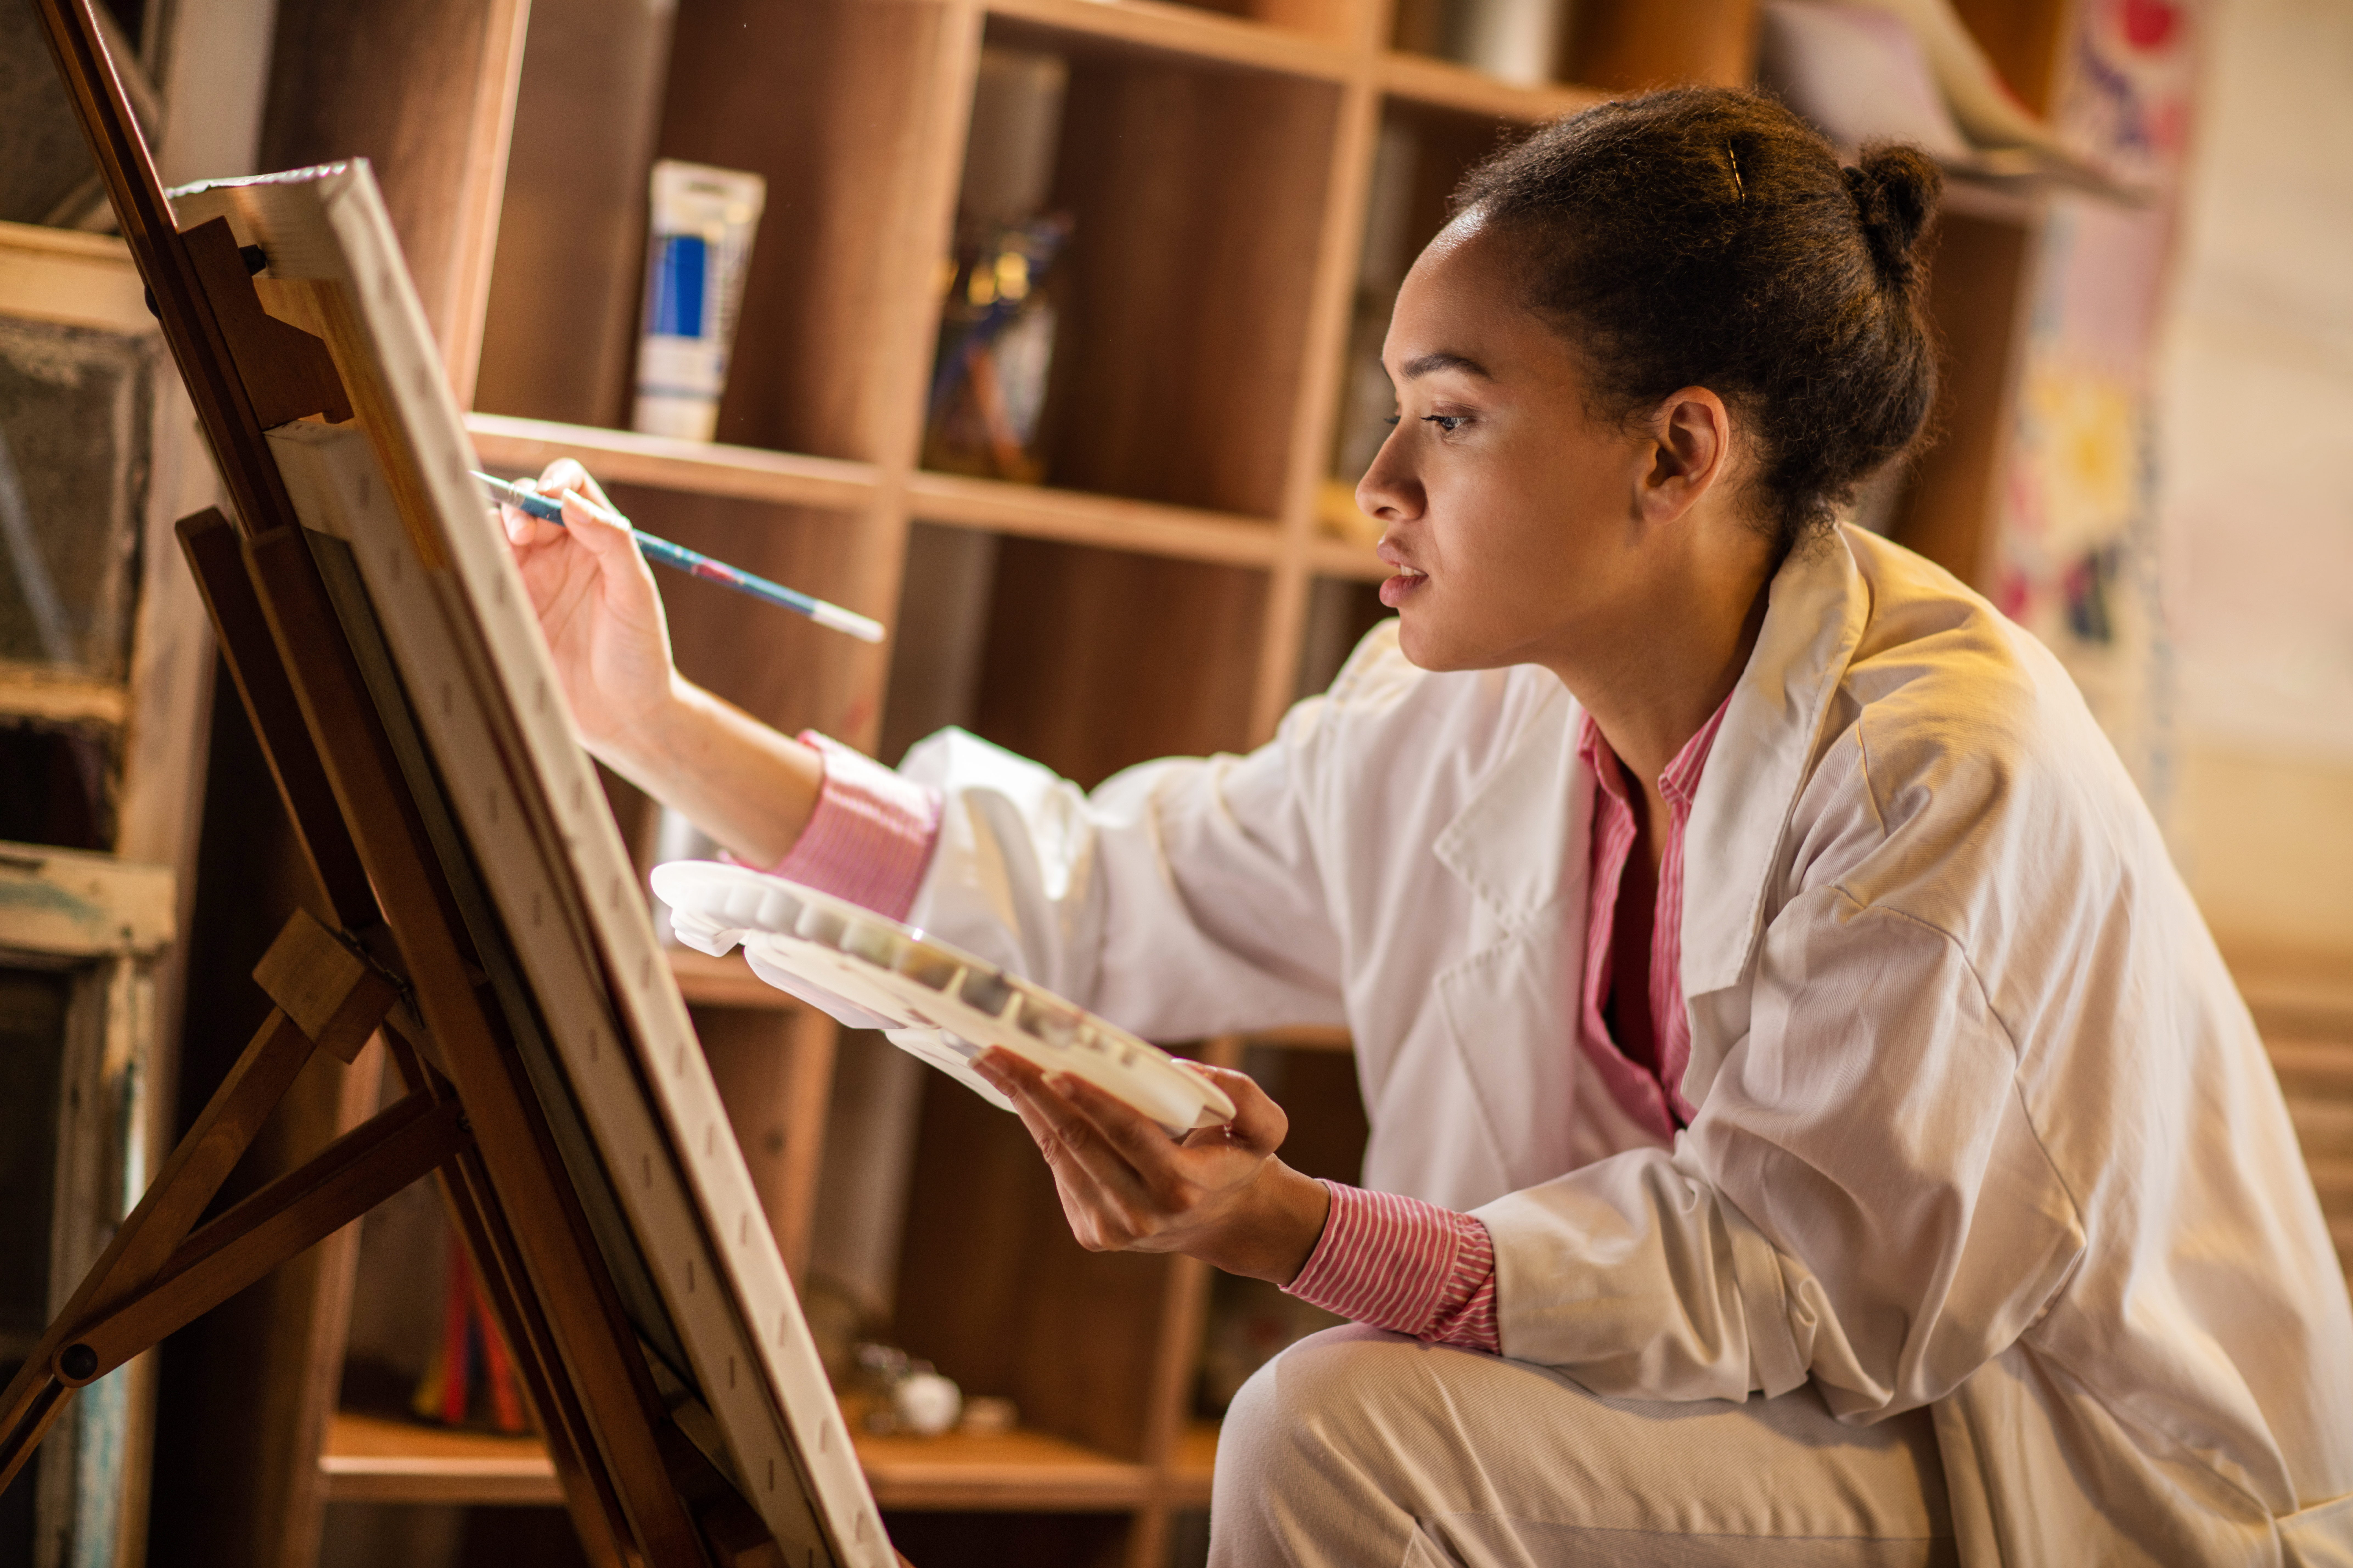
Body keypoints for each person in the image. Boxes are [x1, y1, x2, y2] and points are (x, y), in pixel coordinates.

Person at [500, 88, 2353, 1567]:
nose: (1377, 487)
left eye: (1449, 421)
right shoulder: (1460, 705)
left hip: (2023, 1464)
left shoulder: (1947, 765)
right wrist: (644, 719)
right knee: (1347, 1416)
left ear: (1676, 453)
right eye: (1395, 413)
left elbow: (1797, 1277)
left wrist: (1300, 1228)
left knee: (1338, 1433)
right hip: (1755, 1423)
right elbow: (1103, 893)